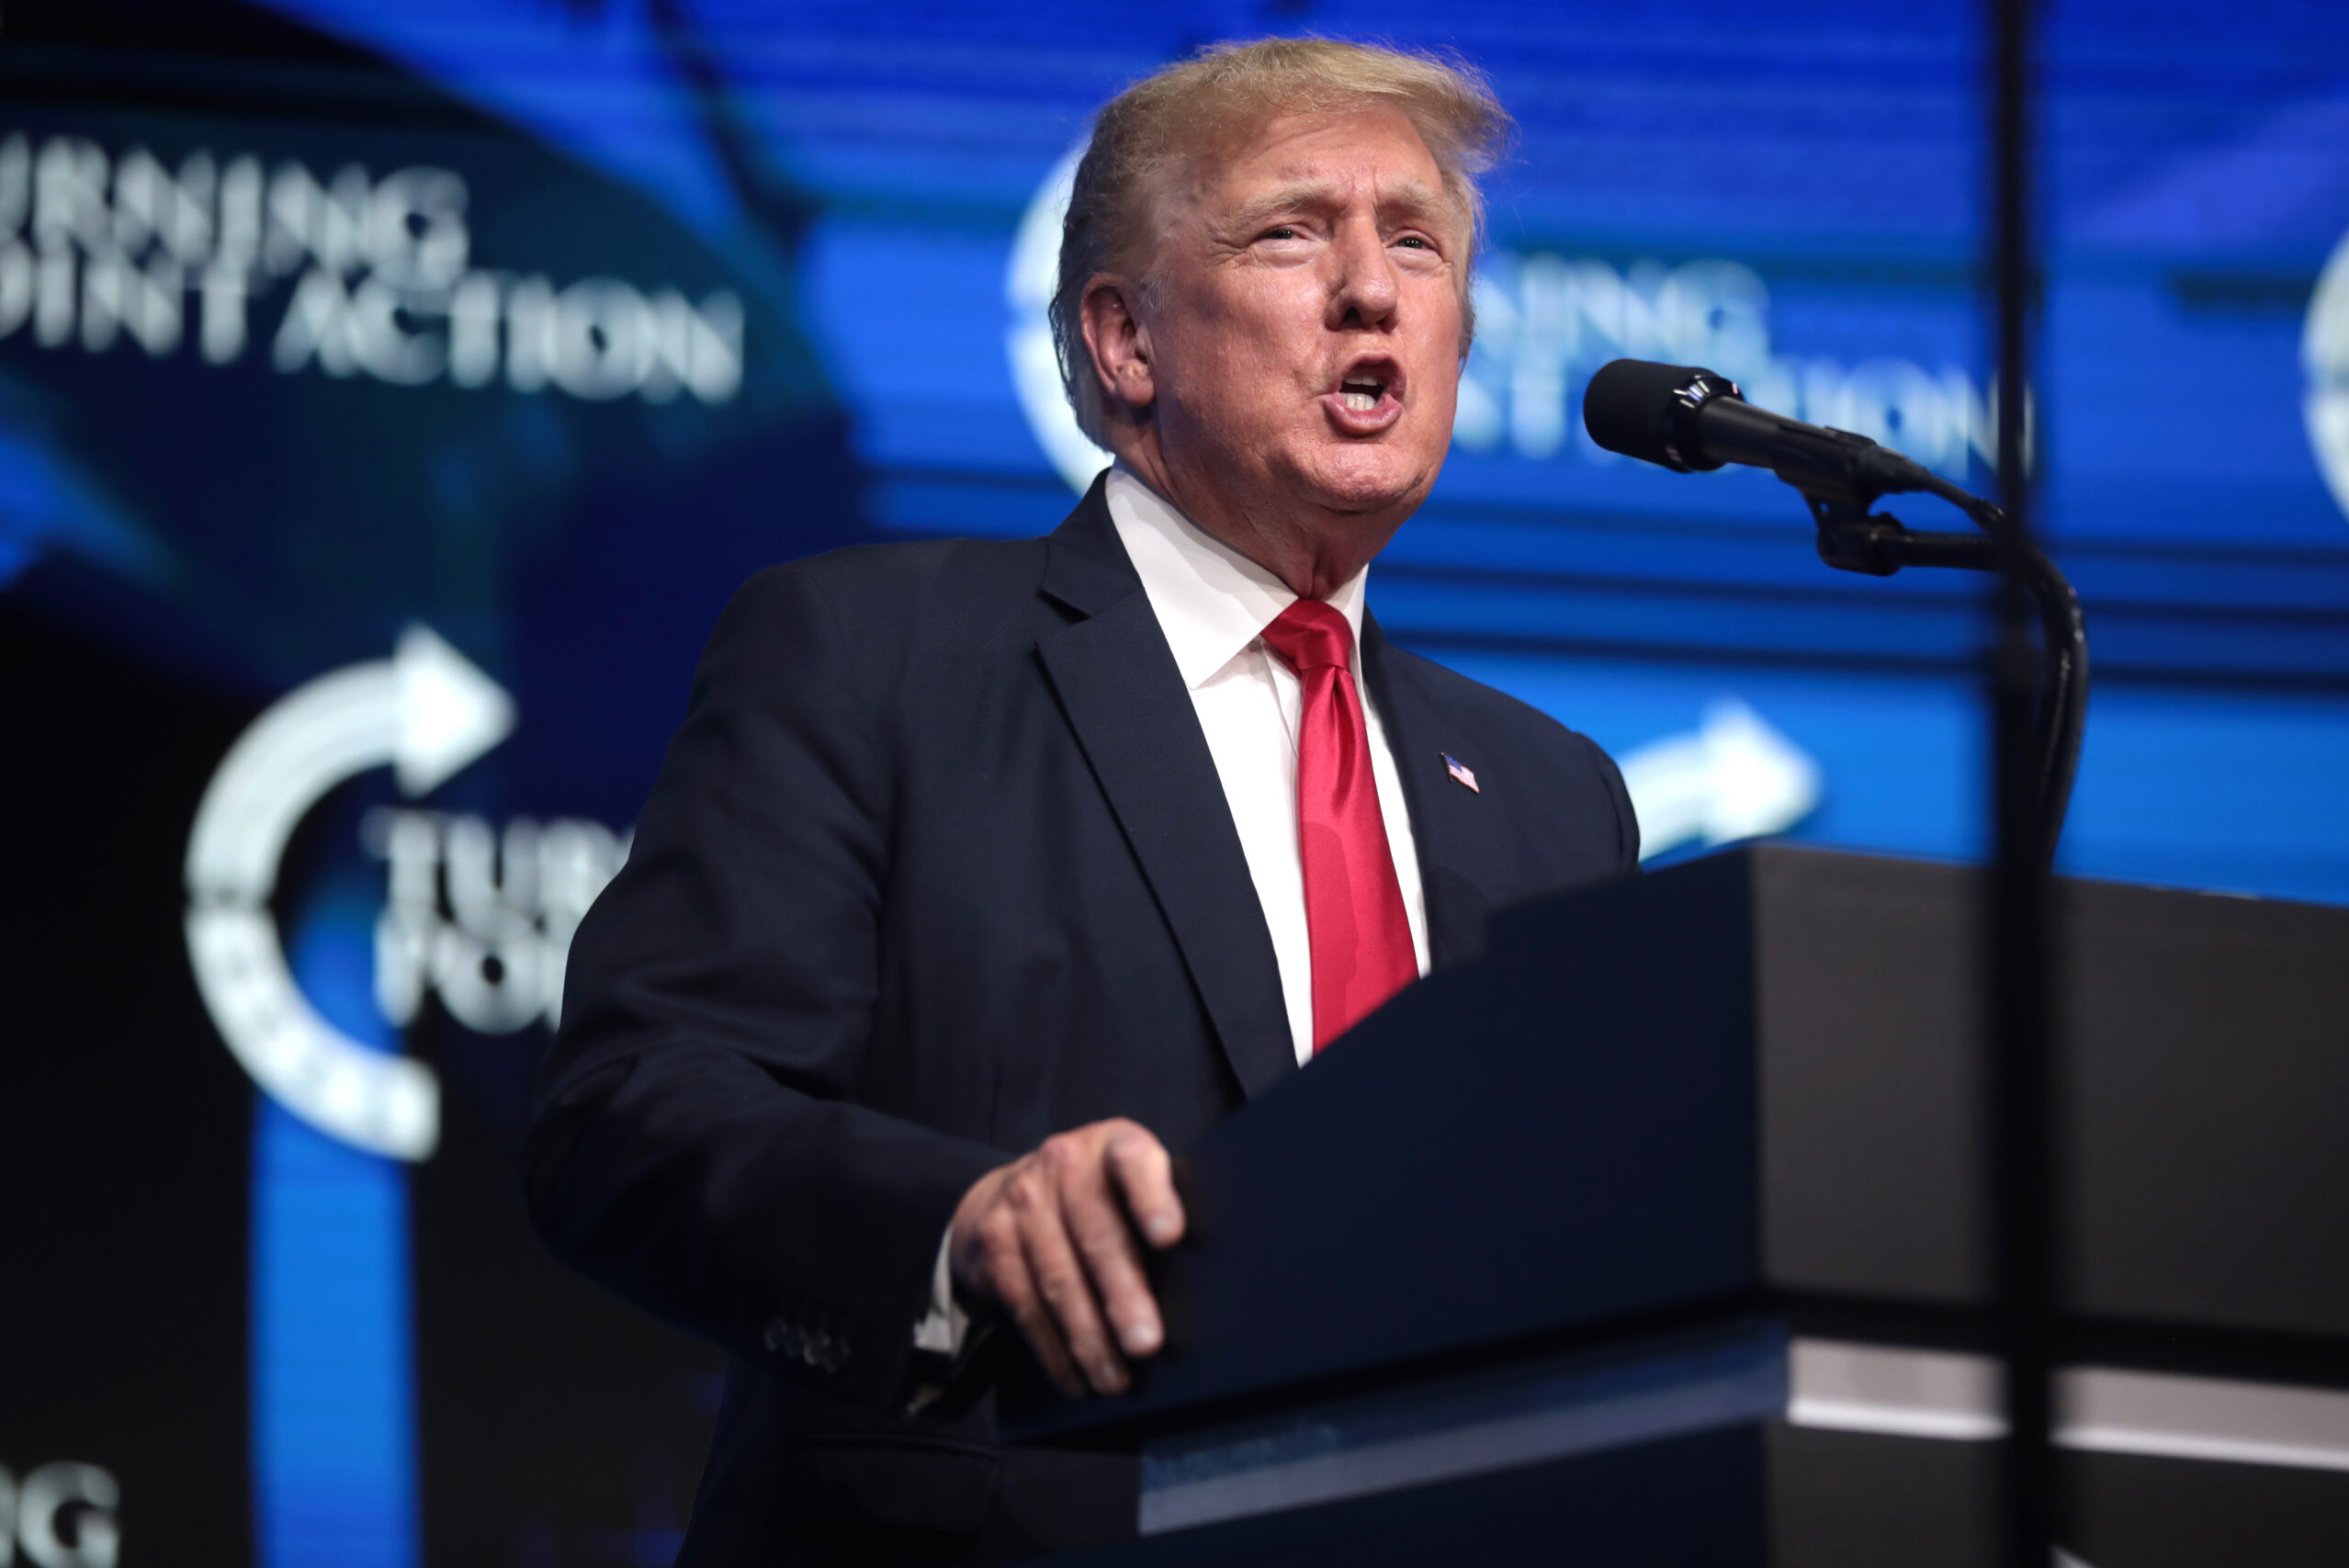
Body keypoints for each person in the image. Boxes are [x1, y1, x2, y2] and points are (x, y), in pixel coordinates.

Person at [525, 36, 1637, 1566]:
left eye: (1420, 244)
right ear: (1124, 341)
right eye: (1292, 232)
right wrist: (957, 1225)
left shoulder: (1551, 797)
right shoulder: (869, 654)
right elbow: (629, 1115)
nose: (1375, 290)